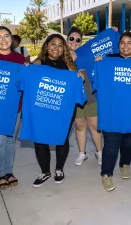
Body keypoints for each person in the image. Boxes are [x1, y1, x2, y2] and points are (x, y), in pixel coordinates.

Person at [95, 32, 131, 191]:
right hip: (112, 113)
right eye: (122, 42)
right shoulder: (106, 62)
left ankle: (125, 164)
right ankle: (106, 174)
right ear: (118, 44)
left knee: (128, 143)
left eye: (129, 42)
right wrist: (99, 63)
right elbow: (94, 82)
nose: (125, 45)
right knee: (111, 145)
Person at [32, 34, 84, 187]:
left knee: (62, 138)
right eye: (53, 44)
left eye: (60, 45)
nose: (56, 47)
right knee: (40, 140)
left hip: (64, 109)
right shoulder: (37, 63)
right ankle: (45, 172)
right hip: (42, 108)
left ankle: (59, 169)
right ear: (46, 45)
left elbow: (76, 86)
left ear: (64, 48)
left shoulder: (69, 65)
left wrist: (79, 77)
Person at [0, 26, 25, 189]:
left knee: (10, 142)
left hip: (14, 108)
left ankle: (9, 172)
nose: (3, 39)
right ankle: (1, 174)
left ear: (11, 38)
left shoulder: (19, 59)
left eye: (6, 36)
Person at [66, 27, 102, 166]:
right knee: (80, 126)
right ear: (67, 39)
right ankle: (82, 153)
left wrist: (99, 60)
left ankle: (100, 152)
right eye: (72, 39)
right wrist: (69, 60)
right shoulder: (60, 55)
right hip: (74, 96)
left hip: (89, 92)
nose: (74, 42)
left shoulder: (87, 54)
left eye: (78, 40)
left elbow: (106, 53)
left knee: (94, 125)